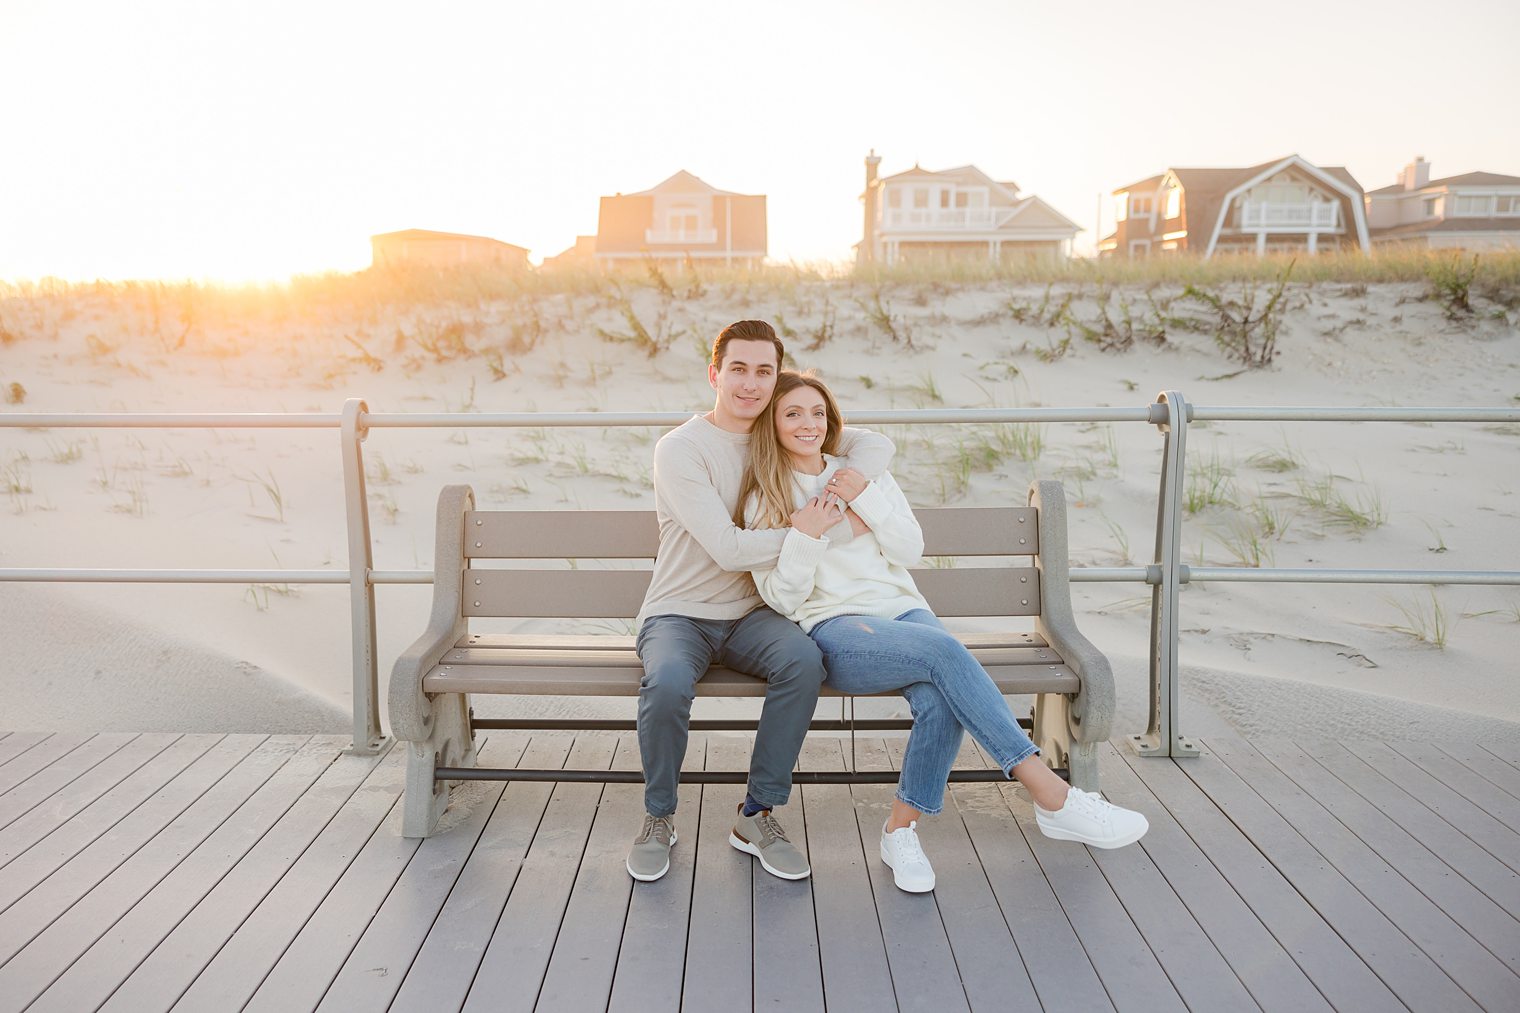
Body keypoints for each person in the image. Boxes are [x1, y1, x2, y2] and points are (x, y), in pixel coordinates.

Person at [739, 370, 1148, 893]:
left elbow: (910, 549)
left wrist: (865, 500)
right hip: (836, 627)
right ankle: (1051, 795)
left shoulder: (861, 474)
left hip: (905, 613)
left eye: (817, 412)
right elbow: (785, 598)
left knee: (938, 697)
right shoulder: (764, 497)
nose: (808, 424)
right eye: (792, 413)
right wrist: (807, 535)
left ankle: (899, 832)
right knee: (944, 652)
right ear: (772, 423)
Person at [628, 321, 895, 884]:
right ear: (715, 374)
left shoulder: (780, 431)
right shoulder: (681, 449)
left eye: (764, 372)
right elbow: (727, 549)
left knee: (803, 662)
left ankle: (757, 814)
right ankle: (658, 817)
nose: (750, 384)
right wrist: (811, 530)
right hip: (679, 612)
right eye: (738, 370)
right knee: (669, 682)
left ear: (776, 380)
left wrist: (845, 491)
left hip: (755, 614)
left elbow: (875, 443)